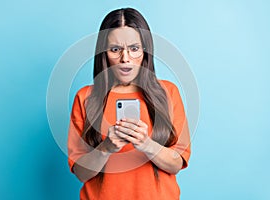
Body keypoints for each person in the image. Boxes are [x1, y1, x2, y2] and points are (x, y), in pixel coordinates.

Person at [68, 7, 191, 200]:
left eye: (134, 49)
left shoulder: (168, 93)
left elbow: (176, 164)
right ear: (103, 52)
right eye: (115, 49)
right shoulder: (85, 98)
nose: (125, 58)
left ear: (145, 51)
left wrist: (146, 144)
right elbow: (82, 174)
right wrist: (106, 148)